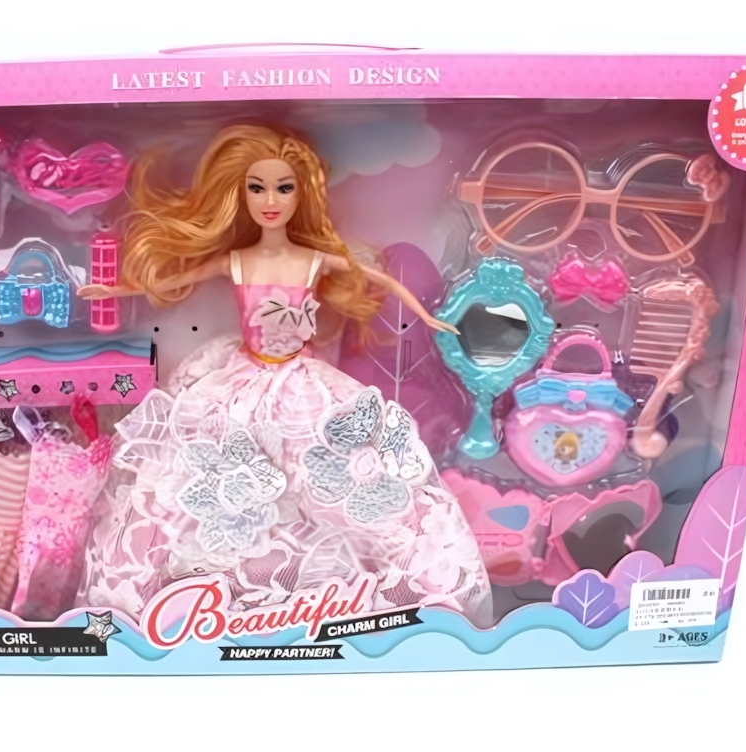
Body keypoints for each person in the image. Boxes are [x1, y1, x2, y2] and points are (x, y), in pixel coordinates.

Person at [77, 125, 492, 628]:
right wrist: (113, 292)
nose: (270, 201)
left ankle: (393, 579)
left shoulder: (312, 260)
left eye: (283, 188)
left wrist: (428, 318)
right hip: (240, 381)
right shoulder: (238, 261)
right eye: (257, 188)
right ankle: (176, 584)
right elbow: (176, 277)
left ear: (302, 193)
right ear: (241, 195)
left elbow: (377, 278)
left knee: (334, 468)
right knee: (200, 469)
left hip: (303, 385)